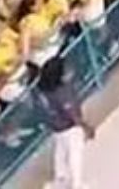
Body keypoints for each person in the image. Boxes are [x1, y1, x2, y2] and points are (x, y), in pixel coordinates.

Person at [35, 57, 92, 189]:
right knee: (74, 155)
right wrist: (86, 127)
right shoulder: (61, 92)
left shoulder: (42, 89)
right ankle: (76, 184)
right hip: (69, 128)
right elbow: (71, 114)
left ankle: (60, 179)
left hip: (55, 127)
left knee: (60, 153)